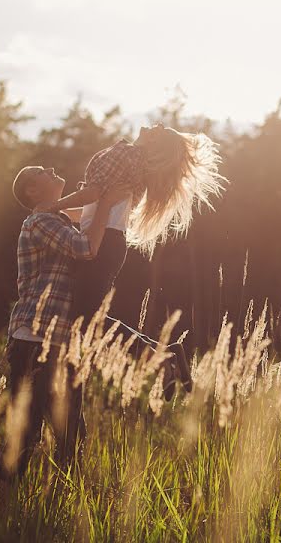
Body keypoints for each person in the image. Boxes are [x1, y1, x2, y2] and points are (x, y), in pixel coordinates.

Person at [41, 123, 225, 386]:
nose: (158, 124)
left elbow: (92, 194)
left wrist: (53, 205)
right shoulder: (135, 164)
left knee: (86, 320)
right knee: (90, 318)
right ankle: (166, 354)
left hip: (103, 244)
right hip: (110, 242)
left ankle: (161, 362)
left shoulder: (127, 156)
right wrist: (59, 215)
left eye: (160, 129)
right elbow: (92, 210)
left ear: (152, 142)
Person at [0, 165, 129, 481]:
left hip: (63, 340)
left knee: (70, 432)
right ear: (32, 190)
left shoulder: (57, 219)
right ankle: (1, 503)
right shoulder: (40, 221)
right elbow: (86, 249)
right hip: (35, 338)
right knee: (24, 432)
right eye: (42, 171)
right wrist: (106, 204)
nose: (53, 169)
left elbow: (87, 210)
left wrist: (107, 200)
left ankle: (58, 507)